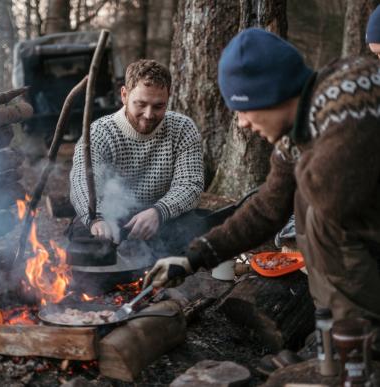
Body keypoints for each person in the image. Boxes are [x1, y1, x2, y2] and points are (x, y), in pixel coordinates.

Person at [144, 28, 380, 354]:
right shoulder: (303, 121)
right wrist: (192, 256)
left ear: (271, 94)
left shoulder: (346, 103)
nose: (241, 123)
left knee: (314, 213)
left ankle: (359, 343)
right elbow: (267, 208)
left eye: (242, 110)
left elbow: (333, 200)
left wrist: (294, 158)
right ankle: (339, 337)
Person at [69, 59, 204, 251]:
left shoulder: (183, 128)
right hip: (110, 216)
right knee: (81, 234)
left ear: (169, 97)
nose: (149, 114)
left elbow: (190, 184)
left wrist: (159, 211)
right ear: (124, 95)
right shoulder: (99, 133)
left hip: (159, 217)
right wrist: (96, 219)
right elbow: (82, 181)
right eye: (141, 104)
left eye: (158, 106)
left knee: (193, 227)